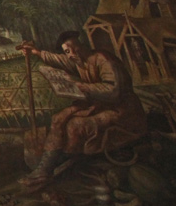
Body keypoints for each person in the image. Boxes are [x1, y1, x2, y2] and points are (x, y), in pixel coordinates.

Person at [17, 31, 147, 191]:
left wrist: (84, 87)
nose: (71, 54)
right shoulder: (79, 62)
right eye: (67, 51)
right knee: (58, 118)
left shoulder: (103, 59)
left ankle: (63, 163)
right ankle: (44, 169)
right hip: (98, 105)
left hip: (122, 110)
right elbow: (60, 60)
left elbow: (115, 90)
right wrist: (36, 52)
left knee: (75, 126)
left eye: (74, 48)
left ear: (82, 45)